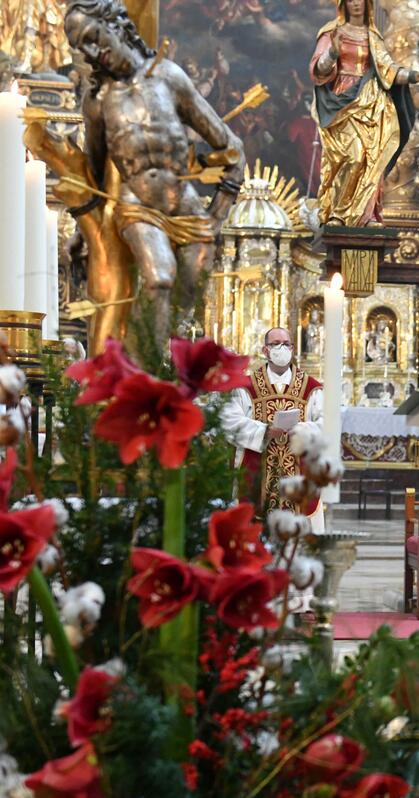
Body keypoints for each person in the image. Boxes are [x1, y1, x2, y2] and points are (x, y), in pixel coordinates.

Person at [63, 0, 245, 343]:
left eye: (93, 37)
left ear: (115, 26)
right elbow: (94, 169)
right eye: (81, 46)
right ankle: (144, 378)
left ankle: (159, 375)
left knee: (182, 306)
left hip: (188, 209)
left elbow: (231, 147)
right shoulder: (98, 100)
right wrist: (83, 230)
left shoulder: (168, 77)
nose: (91, 51)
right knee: (159, 278)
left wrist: (217, 214)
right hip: (138, 207)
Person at [310, 0, 419, 227]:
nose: (356, 3)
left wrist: (413, 77)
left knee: (372, 159)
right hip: (343, 102)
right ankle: (338, 214)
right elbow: (318, 69)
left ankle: (366, 215)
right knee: (352, 156)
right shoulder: (332, 32)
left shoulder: (373, 36)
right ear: (343, 4)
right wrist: (332, 52)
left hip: (371, 103)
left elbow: (388, 69)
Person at [222, 328, 325, 529]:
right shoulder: (246, 386)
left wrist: (301, 430)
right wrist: (264, 431)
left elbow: (327, 424)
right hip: (255, 474)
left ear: (293, 349)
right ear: (265, 350)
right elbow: (229, 422)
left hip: (300, 473)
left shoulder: (310, 387)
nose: (281, 348)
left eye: (286, 344)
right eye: (275, 344)